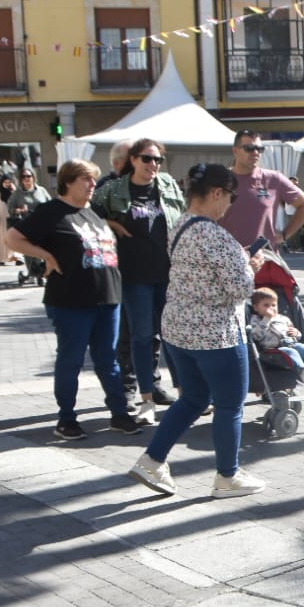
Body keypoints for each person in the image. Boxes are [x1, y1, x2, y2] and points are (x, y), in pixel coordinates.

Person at [128, 163, 267, 499]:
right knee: (231, 404)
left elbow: (203, 273)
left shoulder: (180, 224)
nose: (229, 205)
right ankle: (227, 476)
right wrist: (250, 267)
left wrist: (239, 263)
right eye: (229, 198)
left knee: (192, 398)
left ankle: (152, 460)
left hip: (178, 329)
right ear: (217, 193)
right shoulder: (215, 233)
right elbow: (239, 289)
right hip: (215, 333)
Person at [5, 160, 143, 441]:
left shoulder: (92, 212)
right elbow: (12, 238)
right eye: (86, 180)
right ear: (68, 181)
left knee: (109, 359)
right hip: (70, 299)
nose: (93, 185)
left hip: (107, 297)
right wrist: (46, 256)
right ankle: (66, 418)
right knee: (71, 359)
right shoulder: (52, 211)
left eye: (93, 180)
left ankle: (119, 413)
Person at [94, 138, 184, 424]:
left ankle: (185, 394)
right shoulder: (114, 189)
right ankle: (146, 400)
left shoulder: (167, 185)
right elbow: (85, 213)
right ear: (133, 159)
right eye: (147, 159)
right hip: (134, 276)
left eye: (158, 160)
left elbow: (183, 217)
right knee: (143, 337)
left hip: (168, 274)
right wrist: (111, 224)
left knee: (173, 336)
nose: (153, 165)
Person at [218, 131, 304, 253]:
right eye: (249, 148)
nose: (255, 153)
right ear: (235, 151)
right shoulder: (220, 180)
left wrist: (284, 235)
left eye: (260, 149)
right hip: (227, 259)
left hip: (264, 259)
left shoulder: (274, 179)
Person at [249, 288, 304, 388]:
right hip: (273, 350)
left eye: (273, 305)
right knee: (291, 352)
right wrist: (266, 319)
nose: (271, 308)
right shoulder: (255, 320)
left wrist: (296, 333)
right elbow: (256, 335)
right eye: (266, 305)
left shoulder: (282, 318)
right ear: (256, 307)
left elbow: (293, 331)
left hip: (291, 343)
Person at [0, 175, 17, 264]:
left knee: (13, 236)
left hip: (12, 217)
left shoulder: (13, 191)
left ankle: (15, 257)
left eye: (9, 182)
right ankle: (2, 258)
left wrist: (13, 190)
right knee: (2, 237)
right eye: (5, 182)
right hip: (1, 217)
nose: (7, 184)